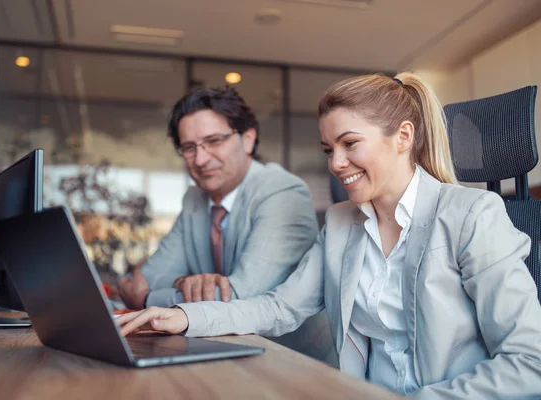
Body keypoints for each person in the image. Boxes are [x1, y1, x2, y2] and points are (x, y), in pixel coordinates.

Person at [116, 73, 541, 398]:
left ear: (404, 138)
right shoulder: (341, 223)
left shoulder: (473, 215)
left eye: (350, 144)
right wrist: (185, 318)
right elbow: (280, 308)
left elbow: (530, 362)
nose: (336, 163)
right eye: (327, 149)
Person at [118, 87, 334, 363]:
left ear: (247, 139)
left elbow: (243, 295)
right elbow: (149, 276)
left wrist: (148, 300)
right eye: (189, 147)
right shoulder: (195, 199)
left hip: (296, 362)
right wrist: (180, 282)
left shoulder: (282, 192)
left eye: (214, 141)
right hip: (225, 354)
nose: (201, 159)